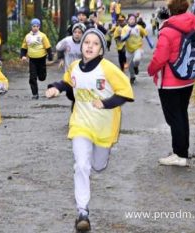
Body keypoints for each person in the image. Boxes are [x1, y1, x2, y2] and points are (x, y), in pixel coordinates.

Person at [46, 28, 134, 231]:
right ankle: (82, 212)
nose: (90, 46)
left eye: (95, 44)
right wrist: (55, 88)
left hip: (104, 128)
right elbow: (67, 82)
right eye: (87, 42)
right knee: (81, 166)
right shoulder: (75, 66)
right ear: (82, 45)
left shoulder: (108, 68)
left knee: (98, 165)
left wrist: (106, 103)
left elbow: (126, 92)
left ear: (101, 50)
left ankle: (103, 155)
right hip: (81, 125)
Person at [147, 0, 195, 167]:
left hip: (170, 82)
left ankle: (180, 154)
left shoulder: (167, 30)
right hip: (187, 78)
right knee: (182, 114)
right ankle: (182, 152)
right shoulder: (192, 24)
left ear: (170, 10)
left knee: (174, 118)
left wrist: (150, 70)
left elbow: (160, 57)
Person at [20, 18, 53, 100]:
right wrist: (23, 55)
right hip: (32, 59)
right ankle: (35, 94)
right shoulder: (27, 36)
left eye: (37, 26)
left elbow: (48, 46)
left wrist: (50, 55)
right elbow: (24, 47)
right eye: (34, 26)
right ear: (31, 27)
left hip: (41, 58)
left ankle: (41, 74)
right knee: (32, 77)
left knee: (42, 77)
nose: (35, 28)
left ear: (39, 27)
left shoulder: (42, 36)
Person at [121, 13, 149, 84]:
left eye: (133, 19)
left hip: (138, 48)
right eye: (130, 19)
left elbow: (146, 34)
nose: (132, 20)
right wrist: (127, 35)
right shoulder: (125, 28)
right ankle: (132, 76)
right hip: (129, 49)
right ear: (128, 20)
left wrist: (150, 43)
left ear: (135, 20)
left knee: (137, 59)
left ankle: (136, 67)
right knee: (130, 66)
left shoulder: (139, 27)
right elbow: (122, 39)